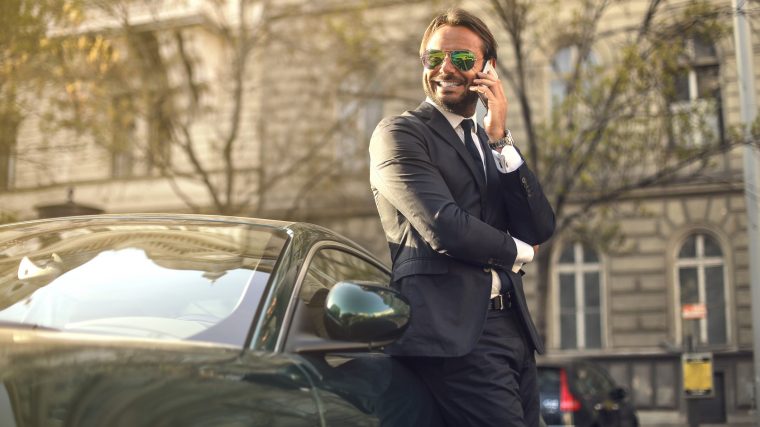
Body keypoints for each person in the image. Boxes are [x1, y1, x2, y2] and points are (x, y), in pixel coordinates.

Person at [369, 7, 555, 427]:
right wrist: (520, 252)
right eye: (434, 59)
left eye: (463, 59)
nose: (446, 69)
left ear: (488, 68)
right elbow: (443, 226)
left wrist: (500, 138)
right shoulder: (399, 134)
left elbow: (539, 226)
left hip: (513, 331)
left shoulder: (486, 141)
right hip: (453, 336)